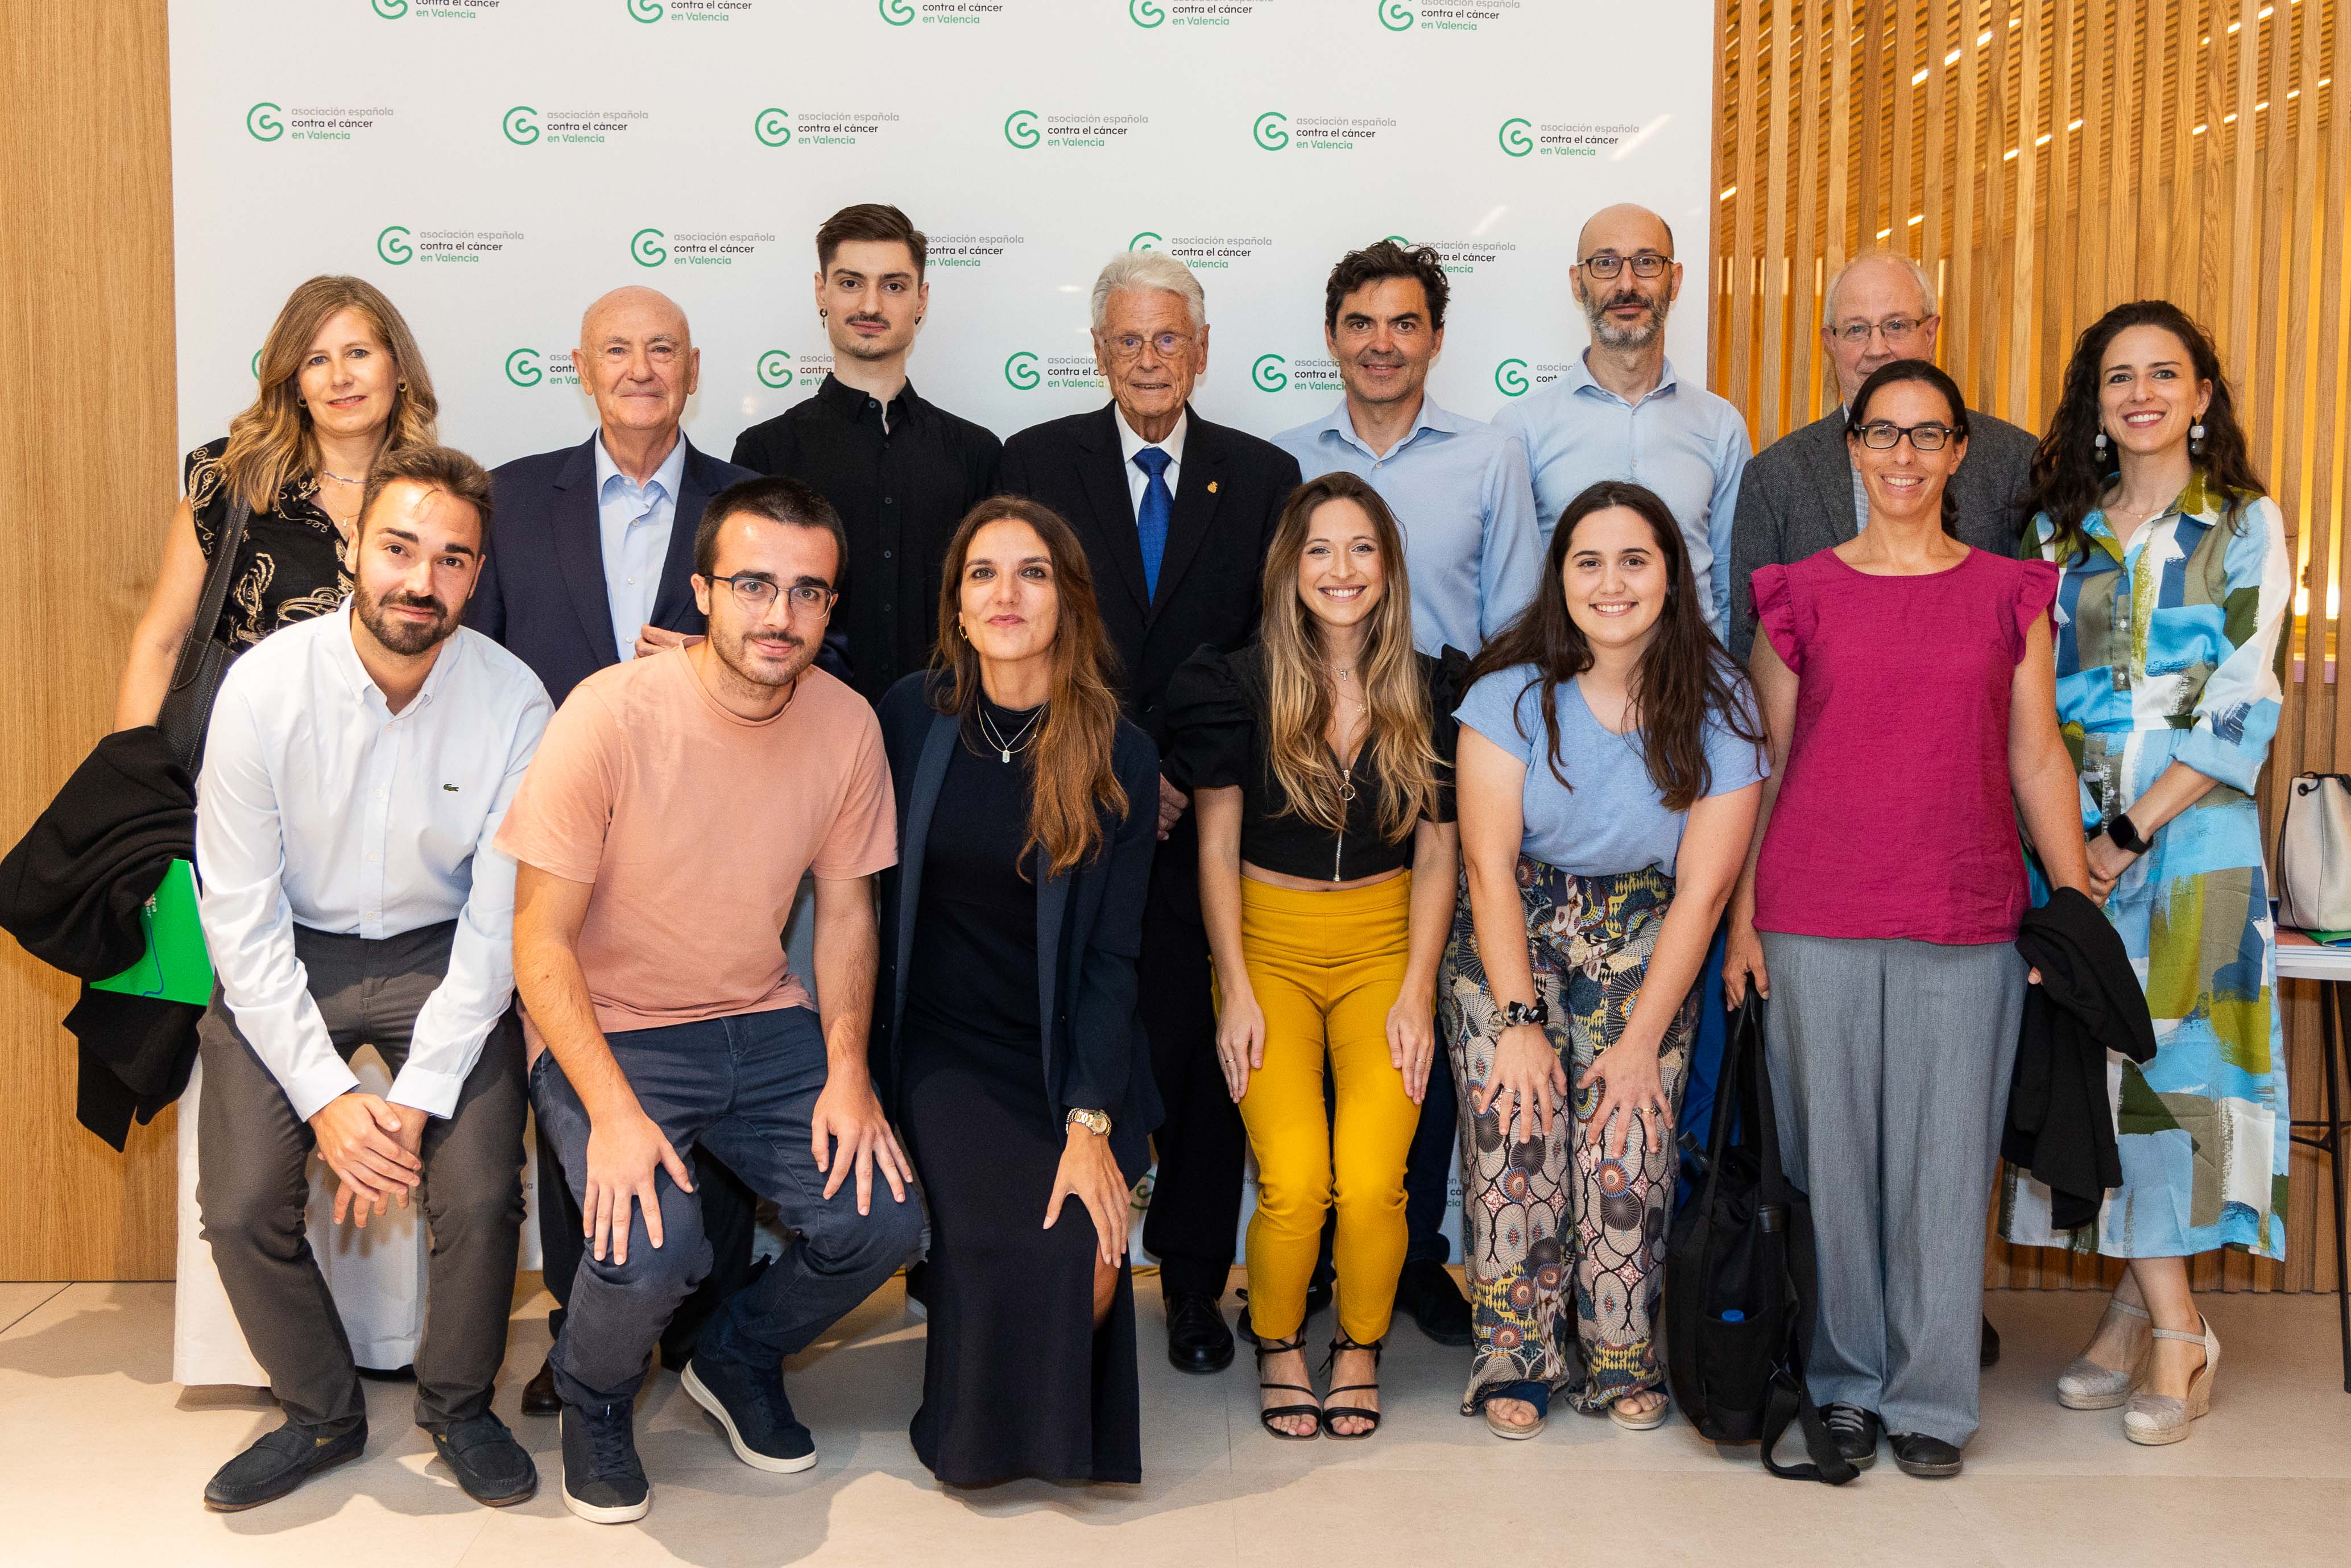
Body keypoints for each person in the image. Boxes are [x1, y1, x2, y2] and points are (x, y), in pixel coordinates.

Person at [499, 477, 923, 1525]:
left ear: (831, 609)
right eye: (752, 584)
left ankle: (735, 1355)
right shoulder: (607, 712)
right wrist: (608, 1109)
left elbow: (847, 919)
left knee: (883, 1221)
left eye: (806, 592)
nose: (778, 614)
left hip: (761, 1015)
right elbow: (537, 939)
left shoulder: (847, 724)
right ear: (702, 590)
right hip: (614, 1027)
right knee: (654, 1251)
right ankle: (594, 1396)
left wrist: (847, 1071)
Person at [1723, 359, 2095, 1479]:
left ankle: (1932, 1394)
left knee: (1945, 1166)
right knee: (1834, 1167)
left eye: (1926, 435)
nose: (1902, 456)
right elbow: (1765, 768)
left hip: (1966, 912)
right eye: (1881, 434)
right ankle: (1842, 1383)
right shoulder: (1799, 591)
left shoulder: (2008, 591)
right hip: (1811, 915)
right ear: (1850, 447)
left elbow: (2037, 754)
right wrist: (1742, 920)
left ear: (1958, 451)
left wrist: (2071, 903)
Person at [191, 446, 549, 1512]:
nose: (419, 580)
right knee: (244, 1198)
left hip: (444, 957)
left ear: (475, 577)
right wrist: (331, 1100)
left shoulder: (514, 701)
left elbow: (499, 926)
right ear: (354, 549)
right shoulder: (263, 688)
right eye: (398, 548)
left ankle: (457, 1404)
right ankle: (319, 1410)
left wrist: (416, 1099)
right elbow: (240, 919)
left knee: (482, 1194)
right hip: (288, 950)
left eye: (450, 559)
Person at [1000, 250, 1301, 1376]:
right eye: (1127, 340)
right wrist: (1114, 766)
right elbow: (1024, 623)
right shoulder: (1036, 463)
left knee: (1198, 1063)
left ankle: (1186, 1280)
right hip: (1067, 809)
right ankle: (1058, 1267)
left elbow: (1272, 653)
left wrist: (1181, 773)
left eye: (1167, 338)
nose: (1148, 359)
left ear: (1202, 348)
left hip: (1205, 828)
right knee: (1076, 1043)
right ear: (1098, 351)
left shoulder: (1262, 476)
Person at [466, 284, 763, 1420]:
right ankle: (580, 1326)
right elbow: (475, 666)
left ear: (693, 367)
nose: (640, 368)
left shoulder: (745, 502)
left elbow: (816, 639)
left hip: (711, 847)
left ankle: (699, 1326)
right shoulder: (510, 495)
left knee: (713, 1079)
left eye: (662, 351)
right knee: (573, 1092)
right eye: (616, 350)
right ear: (580, 367)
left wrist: (720, 656)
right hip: (560, 846)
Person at [1999, 301, 2290, 1446]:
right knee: (2102, 1073)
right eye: (2119, 376)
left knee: (2175, 1076)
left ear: (2202, 393)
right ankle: (2143, 1307)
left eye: (2165, 373)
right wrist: (2075, 848)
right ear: (2096, 401)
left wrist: (2126, 836)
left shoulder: (2247, 523)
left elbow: (2244, 701)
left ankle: (2173, 1331)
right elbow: (2027, 704)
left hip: (2195, 846)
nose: (2142, 394)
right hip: (2069, 847)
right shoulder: (2055, 538)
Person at [1441, 480, 1764, 1439]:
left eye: (1634, 559)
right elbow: (1486, 867)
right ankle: (1515, 1355)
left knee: (1626, 1138)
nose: (1610, 581)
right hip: (1512, 927)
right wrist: (1517, 1024)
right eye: (1587, 561)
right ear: (1560, 578)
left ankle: (1621, 1352)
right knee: (1516, 1132)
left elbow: (1703, 892)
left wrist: (1636, 1044)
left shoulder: (1720, 701)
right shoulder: (1504, 696)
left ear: (1670, 576)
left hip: (1645, 926)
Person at [1271, 241, 1541, 1343]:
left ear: (1436, 336)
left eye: (1405, 323)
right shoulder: (1279, 463)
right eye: (1361, 323)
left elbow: (1521, 627)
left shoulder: (1492, 459)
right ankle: (1325, 1255)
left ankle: (1417, 1250)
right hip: (1307, 774)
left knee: (1413, 1022)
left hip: (1439, 767)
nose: (1382, 343)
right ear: (1332, 335)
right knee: (1306, 1041)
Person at [870, 495, 1160, 1484]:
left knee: (1089, 1257)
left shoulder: (1117, 747)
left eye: (1031, 571)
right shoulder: (912, 715)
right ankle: (970, 1438)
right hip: (941, 1048)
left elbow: (1112, 956)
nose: (1005, 593)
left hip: (1062, 1050)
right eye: (982, 574)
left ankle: (1041, 1437)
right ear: (955, 607)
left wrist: (1090, 1119)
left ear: (1066, 601)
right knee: (1007, 1241)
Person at [1169, 473, 1461, 1440]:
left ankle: (1360, 1345)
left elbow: (1435, 851)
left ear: (1388, 566)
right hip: (1266, 948)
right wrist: (1235, 989)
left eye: (1361, 549)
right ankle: (1280, 1336)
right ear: (1289, 569)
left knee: (1374, 1177)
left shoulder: (1433, 687)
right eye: (1319, 551)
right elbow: (1213, 846)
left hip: (1383, 947)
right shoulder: (1233, 683)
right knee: (1295, 1179)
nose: (1340, 570)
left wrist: (1417, 991)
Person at [117, 275, 438, 730]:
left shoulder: (439, 499)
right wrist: (135, 781)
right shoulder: (230, 480)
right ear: (295, 384)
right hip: (245, 767)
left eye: (359, 353)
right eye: (316, 360)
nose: (341, 377)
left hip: (395, 763)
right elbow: (163, 643)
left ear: (400, 368)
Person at [731, 202, 1003, 704]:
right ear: (822, 292)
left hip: (949, 725)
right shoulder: (765, 451)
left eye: (894, 286)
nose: (872, 306)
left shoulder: (977, 453)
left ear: (921, 300)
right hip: (800, 723)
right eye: (851, 283)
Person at [1726, 250, 2038, 664]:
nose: (1877, 348)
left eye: (1896, 325)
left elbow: (2034, 635)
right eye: (1856, 329)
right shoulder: (1774, 476)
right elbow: (1749, 652)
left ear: (1931, 332)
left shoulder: (2013, 459)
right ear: (1829, 343)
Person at [1491, 206, 1749, 637]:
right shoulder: (1521, 428)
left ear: (1676, 280)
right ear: (1578, 283)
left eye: (1647, 262)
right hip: (1566, 686)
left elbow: (1729, 586)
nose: (1627, 284)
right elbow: (1513, 597)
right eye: (1605, 264)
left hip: (1692, 688)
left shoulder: (1721, 426)